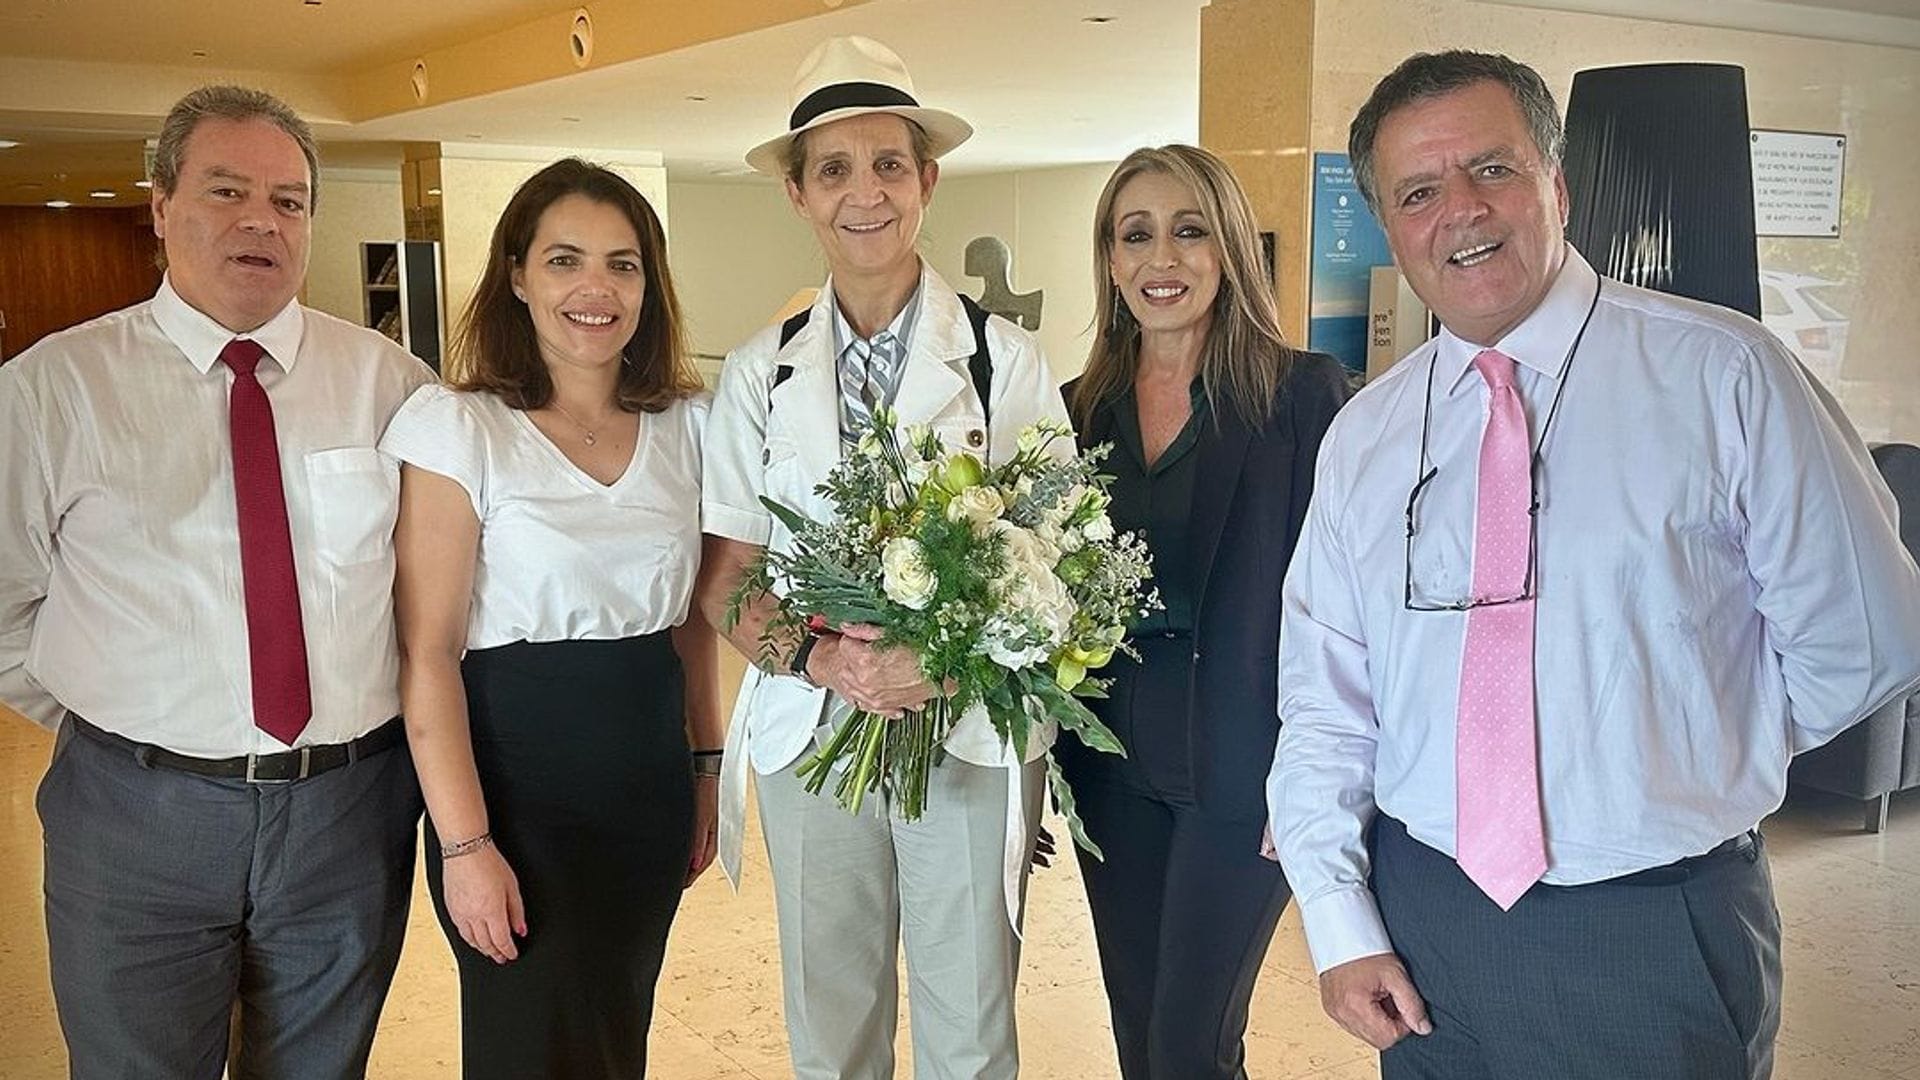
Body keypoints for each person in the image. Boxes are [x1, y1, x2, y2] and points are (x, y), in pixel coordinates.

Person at [1266, 49, 1920, 1080]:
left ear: (1556, 183)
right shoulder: (1367, 433)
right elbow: (1326, 700)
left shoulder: (1724, 374)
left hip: (1655, 928)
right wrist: (1343, 924)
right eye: (1420, 191)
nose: (1462, 213)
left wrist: (1699, 731)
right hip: (1427, 925)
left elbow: (1868, 634)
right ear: (1390, 224)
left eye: (1493, 169)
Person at [0, 85, 433, 1079]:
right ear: (161, 207)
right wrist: (114, 724)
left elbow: (429, 597)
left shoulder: (392, 385)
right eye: (226, 190)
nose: (259, 221)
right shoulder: (53, 390)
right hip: (134, 820)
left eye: (288, 200)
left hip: (347, 814)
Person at [696, 34, 1069, 1080]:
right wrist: (829, 661)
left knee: (971, 1030)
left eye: (890, 164)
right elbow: (727, 578)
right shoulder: (758, 377)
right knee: (832, 1025)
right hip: (814, 743)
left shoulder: (1005, 363)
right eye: (834, 169)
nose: (866, 192)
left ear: (928, 181)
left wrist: (947, 656)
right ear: (797, 194)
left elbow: (1064, 561)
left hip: (973, 738)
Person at [382, 158, 719, 1079]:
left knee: (616, 1038)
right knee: (525, 1045)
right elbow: (429, 655)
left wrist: (705, 772)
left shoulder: (689, 424)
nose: (595, 289)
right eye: (565, 260)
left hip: (645, 782)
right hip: (513, 792)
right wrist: (465, 845)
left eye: (623, 264)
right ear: (518, 274)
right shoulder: (458, 426)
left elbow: (692, 624)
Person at [1056, 144, 1348, 1080]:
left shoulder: (1302, 396)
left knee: (1191, 1046)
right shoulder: (1077, 410)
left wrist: (1315, 776)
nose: (1162, 260)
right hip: (1110, 768)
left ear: (1228, 250)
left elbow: (1343, 607)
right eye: (1135, 235)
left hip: (1244, 770)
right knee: (1141, 1036)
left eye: (1189, 232)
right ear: (1109, 259)